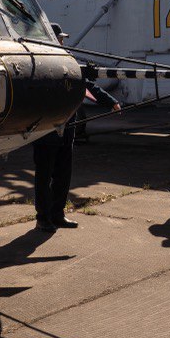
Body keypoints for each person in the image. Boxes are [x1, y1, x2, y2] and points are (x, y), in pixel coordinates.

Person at [32, 24, 121, 232]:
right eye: (59, 38)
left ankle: (57, 213)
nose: (63, 42)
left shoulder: (68, 59)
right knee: (44, 175)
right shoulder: (38, 60)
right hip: (45, 127)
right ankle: (42, 217)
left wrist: (109, 101)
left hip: (68, 125)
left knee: (63, 173)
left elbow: (86, 83)